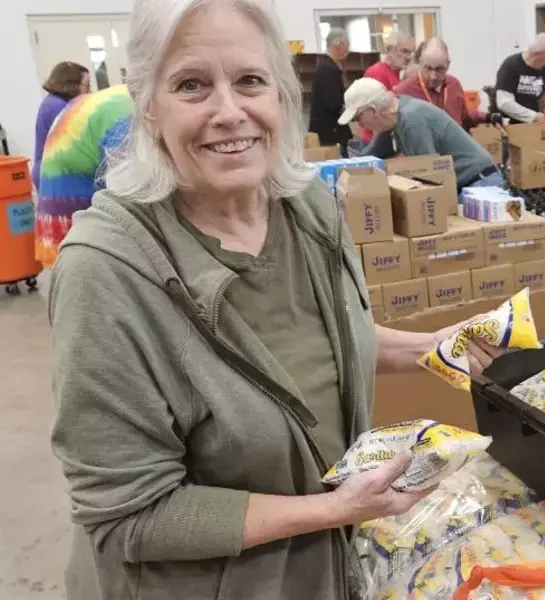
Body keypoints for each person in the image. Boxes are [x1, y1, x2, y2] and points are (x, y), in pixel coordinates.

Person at [50, 1, 499, 598]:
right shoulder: (104, 274)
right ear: (148, 106)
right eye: (191, 85)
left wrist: (433, 347)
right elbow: (127, 516)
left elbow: (323, 343)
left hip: (323, 569)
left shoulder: (308, 209)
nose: (229, 112)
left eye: (250, 81)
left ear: (282, 97)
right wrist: (335, 510)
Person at [35, 84, 132, 272]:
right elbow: (126, 191)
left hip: (55, 224)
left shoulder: (113, 99)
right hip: (79, 239)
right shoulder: (128, 114)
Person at [346, 78, 503, 188]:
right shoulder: (392, 117)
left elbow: (429, 174)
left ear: (374, 110)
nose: (358, 124)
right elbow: (373, 157)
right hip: (467, 183)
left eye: (358, 117)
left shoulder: (410, 120)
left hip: (480, 182)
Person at [393, 38, 485, 131]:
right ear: (420, 62)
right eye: (428, 68)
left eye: (439, 69)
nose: (433, 76)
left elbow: (465, 119)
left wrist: (487, 117)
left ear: (448, 65)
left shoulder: (454, 85)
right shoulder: (404, 91)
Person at [32, 62, 90, 190]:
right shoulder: (58, 107)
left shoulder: (52, 102)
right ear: (72, 84)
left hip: (50, 172)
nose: (90, 91)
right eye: (87, 86)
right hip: (53, 176)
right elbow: (77, 144)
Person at [361, 31, 415, 143]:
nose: (408, 57)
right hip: (376, 141)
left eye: (410, 52)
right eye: (404, 51)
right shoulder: (377, 73)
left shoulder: (396, 74)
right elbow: (379, 116)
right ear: (390, 50)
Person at [307, 28, 352, 155]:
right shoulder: (327, 69)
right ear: (338, 44)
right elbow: (334, 103)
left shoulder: (326, 66)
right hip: (330, 134)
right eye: (346, 45)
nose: (348, 50)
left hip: (327, 130)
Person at [495, 33, 545, 124]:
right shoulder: (511, 65)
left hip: (536, 124)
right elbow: (504, 103)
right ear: (535, 53)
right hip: (511, 125)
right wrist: (534, 116)